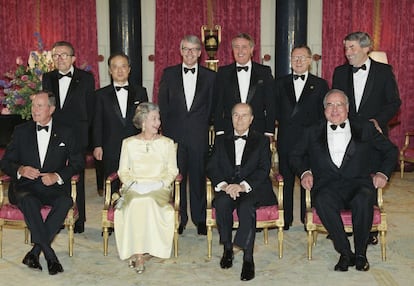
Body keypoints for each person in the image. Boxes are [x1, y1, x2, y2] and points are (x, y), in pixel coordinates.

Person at [289, 89, 398, 272]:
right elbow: (295, 156)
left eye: (339, 104)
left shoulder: (365, 127)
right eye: (330, 105)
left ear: (347, 108)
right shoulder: (312, 131)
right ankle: (345, 252)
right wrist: (305, 172)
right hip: (327, 186)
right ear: (324, 110)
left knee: (364, 199)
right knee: (322, 200)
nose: (335, 109)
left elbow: (391, 151)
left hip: (358, 184)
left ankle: (361, 253)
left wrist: (383, 174)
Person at [0, 91, 83, 275]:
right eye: (33, 106)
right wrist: (21, 170)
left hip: (52, 186)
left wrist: (57, 175)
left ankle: (35, 252)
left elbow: (78, 162)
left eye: (40, 106)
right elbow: (5, 162)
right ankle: (50, 255)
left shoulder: (66, 132)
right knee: (29, 201)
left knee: (65, 201)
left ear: (51, 109)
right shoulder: (21, 131)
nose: (34, 110)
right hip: (25, 187)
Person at [332, 31, 401, 243]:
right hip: (347, 136)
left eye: (352, 47)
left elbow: (394, 102)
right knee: (345, 178)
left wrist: (377, 121)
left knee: (368, 182)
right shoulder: (340, 72)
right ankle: (340, 224)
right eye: (346, 48)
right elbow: (336, 102)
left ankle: (367, 229)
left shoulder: (383, 71)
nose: (348, 52)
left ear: (366, 48)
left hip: (373, 135)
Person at [206, 103, 277, 281]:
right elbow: (212, 167)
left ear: (251, 119)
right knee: (221, 203)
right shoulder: (221, 140)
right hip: (228, 187)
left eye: (244, 116)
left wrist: (243, 186)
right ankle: (228, 248)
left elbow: (263, 169)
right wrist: (224, 185)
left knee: (246, 207)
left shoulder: (261, 140)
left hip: (253, 187)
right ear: (231, 118)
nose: (239, 119)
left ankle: (248, 259)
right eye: (236, 115)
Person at [158, 35, 216, 235]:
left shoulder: (210, 76)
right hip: (174, 135)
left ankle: (200, 218)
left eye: (194, 49)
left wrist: (203, 126)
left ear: (200, 53)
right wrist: (165, 133)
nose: (190, 53)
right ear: (180, 51)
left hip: (199, 135)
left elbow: (212, 107)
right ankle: (180, 217)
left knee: (199, 177)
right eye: (186, 49)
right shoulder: (169, 73)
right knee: (177, 177)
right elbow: (163, 105)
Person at [114, 102, 178, 274]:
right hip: (134, 186)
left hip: (159, 187)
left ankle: (142, 253)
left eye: (158, 119)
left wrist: (159, 184)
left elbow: (173, 170)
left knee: (147, 200)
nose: (158, 123)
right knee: (137, 201)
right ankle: (139, 253)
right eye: (154, 119)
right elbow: (123, 171)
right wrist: (134, 185)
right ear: (143, 121)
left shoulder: (167, 143)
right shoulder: (128, 143)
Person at [42, 41, 95, 233]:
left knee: (77, 177)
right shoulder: (47, 77)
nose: (59, 59)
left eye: (64, 55)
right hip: (54, 134)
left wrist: (87, 136)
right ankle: (57, 218)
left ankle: (79, 219)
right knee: (55, 174)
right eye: (56, 55)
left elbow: (90, 109)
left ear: (73, 58)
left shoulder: (86, 78)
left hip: (77, 134)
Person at [274, 45, 329, 229]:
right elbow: (273, 112)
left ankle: (309, 219)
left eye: (302, 58)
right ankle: (287, 219)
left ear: (310, 61)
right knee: (287, 181)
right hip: (286, 139)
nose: (298, 61)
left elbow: (324, 116)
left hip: (310, 142)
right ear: (290, 60)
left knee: (310, 180)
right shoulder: (280, 83)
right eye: (294, 58)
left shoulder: (321, 84)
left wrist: (321, 140)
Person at [93, 52, 148, 194]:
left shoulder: (140, 92)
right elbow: (97, 121)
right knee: (113, 182)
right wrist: (97, 145)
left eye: (123, 66)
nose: (119, 70)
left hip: (135, 143)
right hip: (110, 144)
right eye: (115, 67)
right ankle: (114, 211)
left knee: (135, 181)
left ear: (129, 69)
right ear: (110, 70)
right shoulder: (100, 95)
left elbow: (145, 119)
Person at [213, 33, 275, 138]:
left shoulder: (264, 72)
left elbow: (270, 104)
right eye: (236, 47)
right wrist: (219, 131)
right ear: (232, 50)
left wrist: (269, 132)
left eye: (244, 47)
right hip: (229, 131)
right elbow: (218, 105)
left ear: (251, 50)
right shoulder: (223, 73)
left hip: (258, 130)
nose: (240, 51)